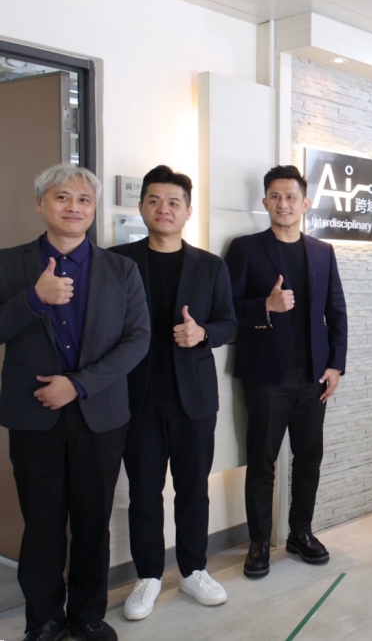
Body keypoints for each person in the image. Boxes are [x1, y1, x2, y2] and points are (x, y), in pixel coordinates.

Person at [0, 165, 150, 641]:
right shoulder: (9, 264)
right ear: (40, 203)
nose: (73, 207)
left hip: (99, 416)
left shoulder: (121, 270)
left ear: (94, 209)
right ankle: (44, 620)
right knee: (42, 524)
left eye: (84, 199)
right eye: (62, 197)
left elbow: (137, 340)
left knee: (92, 522)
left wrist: (78, 385)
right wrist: (33, 299)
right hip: (33, 417)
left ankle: (87, 616)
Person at [110, 166, 237, 620]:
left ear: (187, 211)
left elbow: (228, 323)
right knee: (144, 492)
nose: (163, 209)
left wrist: (203, 333)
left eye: (173, 202)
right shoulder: (117, 261)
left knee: (193, 489)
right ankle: (147, 576)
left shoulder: (210, 265)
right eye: (154, 200)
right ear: (142, 206)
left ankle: (193, 569)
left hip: (194, 398)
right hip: (136, 398)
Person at [225, 165, 348, 579]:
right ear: (265, 202)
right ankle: (259, 541)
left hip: (314, 376)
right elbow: (226, 309)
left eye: (291, 197)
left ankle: (300, 532)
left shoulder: (322, 251)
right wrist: (265, 306)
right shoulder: (245, 248)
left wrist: (336, 364)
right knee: (262, 461)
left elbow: (337, 311)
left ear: (305, 202)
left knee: (309, 457)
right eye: (275, 197)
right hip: (266, 377)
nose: (283, 204)